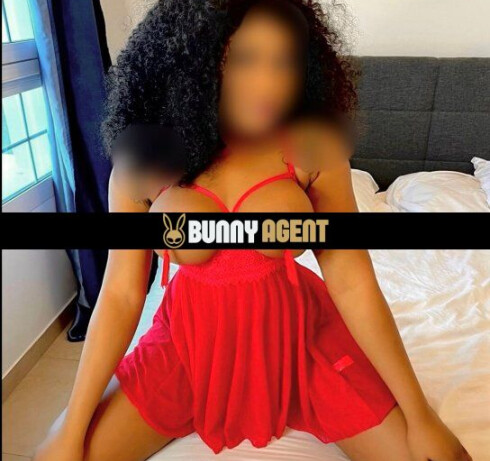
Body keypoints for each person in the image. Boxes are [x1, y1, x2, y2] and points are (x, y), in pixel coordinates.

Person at [34, 1, 471, 460]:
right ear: (192, 59)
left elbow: (352, 281)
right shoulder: (141, 164)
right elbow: (122, 294)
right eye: (243, 59)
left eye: (284, 61)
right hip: (187, 351)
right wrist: (72, 426)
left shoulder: (312, 150)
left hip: (303, 348)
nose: (269, 84)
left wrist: (421, 415)